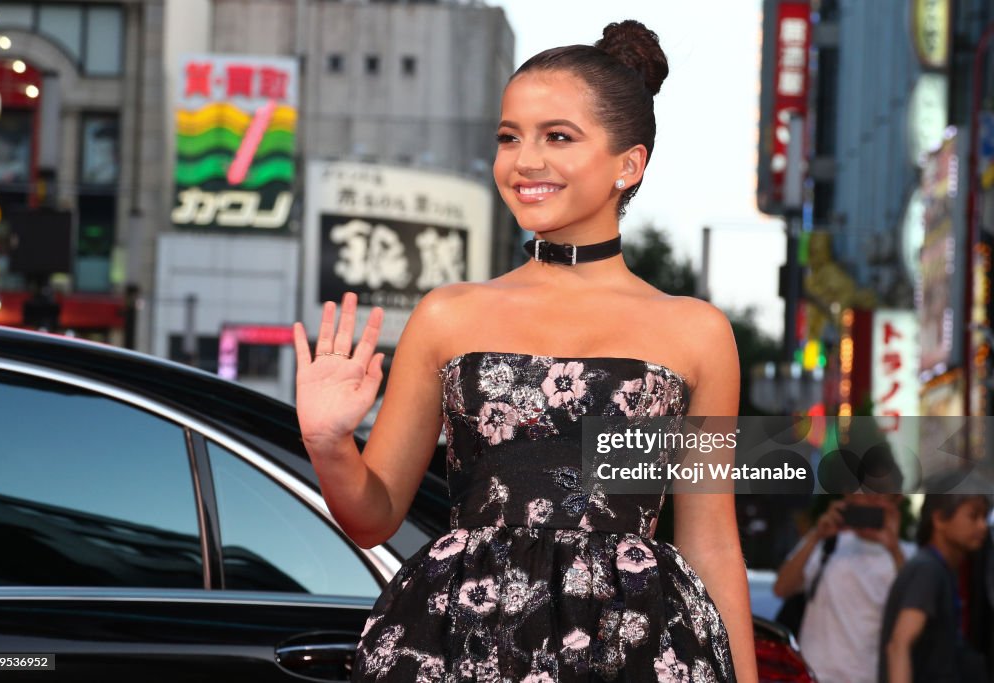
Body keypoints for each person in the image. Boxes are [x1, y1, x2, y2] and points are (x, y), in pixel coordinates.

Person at [292, 20, 757, 682]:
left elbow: (711, 540)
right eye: (509, 137)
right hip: (460, 642)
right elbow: (373, 518)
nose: (524, 161)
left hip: (629, 649)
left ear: (629, 164)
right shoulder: (447, 314)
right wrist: (328, 442)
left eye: (557, 137)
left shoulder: (698, 332)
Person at [772, 493, 915, 683]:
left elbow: (913, 610)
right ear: (848, 498)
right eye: (862, 496)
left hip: (867, 676)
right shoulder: (827, 542)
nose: (868, 503)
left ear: (896, 501)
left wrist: (893, 549)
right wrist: (816, 535)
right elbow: (781, 589)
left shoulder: (909, 555)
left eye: (878, 496)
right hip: (812, 674)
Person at [879, 481, 992, 683]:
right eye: (973, 516)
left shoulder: (941, 569)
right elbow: (899, 645)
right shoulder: (928, 569)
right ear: (939, 519)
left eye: (984, 517)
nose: (982, 526)